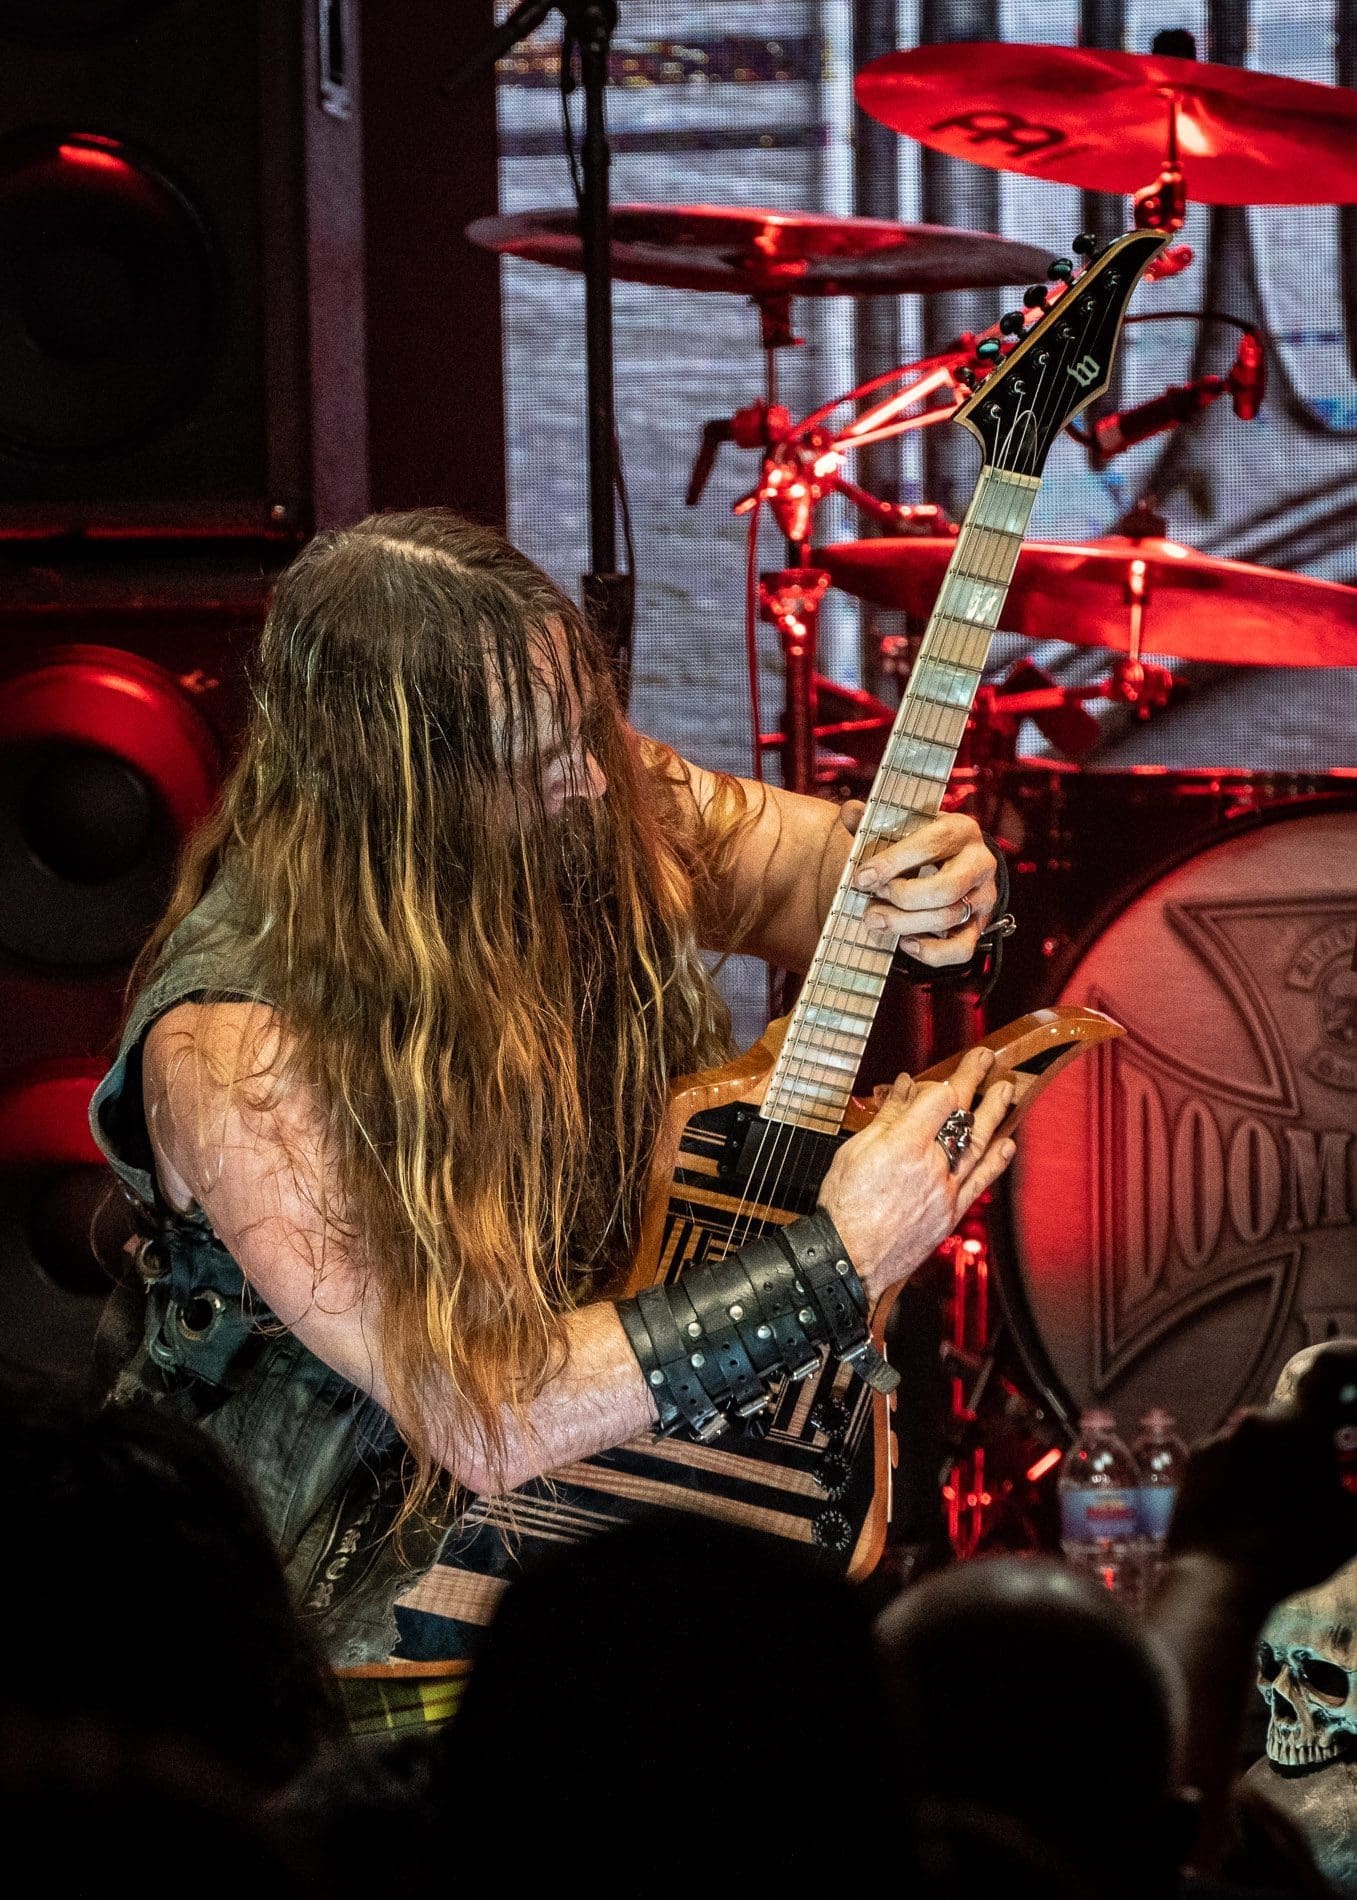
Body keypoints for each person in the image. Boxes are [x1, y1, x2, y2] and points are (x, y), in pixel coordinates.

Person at [89, 509, 1017, 1672]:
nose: (589, 774)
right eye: (536, 758)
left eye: (585, 725)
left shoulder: (580, 794)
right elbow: (479, 1409)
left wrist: (948, 888)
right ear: (406, 797)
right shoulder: (235, 1052)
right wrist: (835, 1260)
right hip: (286, 1631)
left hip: (552, 1550)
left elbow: (816, 869)